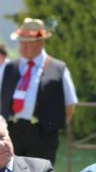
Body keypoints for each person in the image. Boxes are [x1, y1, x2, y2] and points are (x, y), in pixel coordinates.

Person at [1, 18, 78, 164]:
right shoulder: (11, 67)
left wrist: (50, 128)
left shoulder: (58, 68)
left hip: (41, 134)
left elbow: (69, 106)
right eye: (21, 41)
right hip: (12, 131)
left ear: (41, 43)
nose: (23, 46)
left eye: (28, 42)